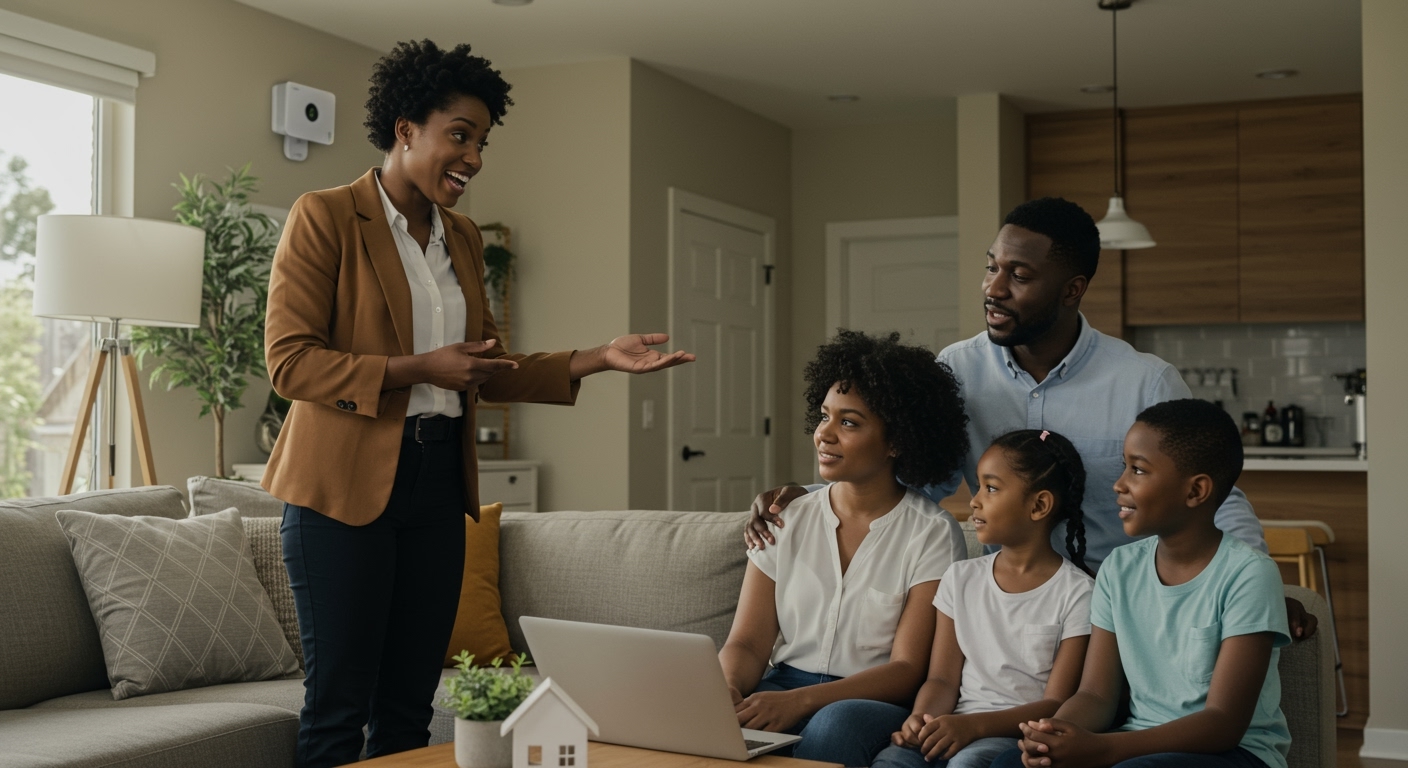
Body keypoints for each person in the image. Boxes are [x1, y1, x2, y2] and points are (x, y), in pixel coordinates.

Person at [263, 40, 693, 768]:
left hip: (436, 484)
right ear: (406, 129)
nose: (475, 158)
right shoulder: (326, 215)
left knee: (409, 703)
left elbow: (483, 370)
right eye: (459, 136)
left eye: (482, 142)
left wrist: (596, 357)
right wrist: (415, 368)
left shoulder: (460, 237)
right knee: (338, 705)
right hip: (339, 493)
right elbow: (290, 362)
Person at [745, 197, 1314, 634]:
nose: (994, 288)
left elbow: (1216, 495)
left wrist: (1257, 586)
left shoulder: (1144, 379)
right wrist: (815, 499)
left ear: (1072, 289)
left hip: (1121, 604)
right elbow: (919, 478)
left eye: (1019, 276)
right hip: (1010, 607)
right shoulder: (958, 369)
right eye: (992, 267)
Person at [994, 399, 1290, 768]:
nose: (1119, 484)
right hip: (1134, 744)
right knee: (1008, 763)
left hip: (1234, 754)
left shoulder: (1249, 574)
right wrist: (1055, 734)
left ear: (1196, 491)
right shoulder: (1120, 569)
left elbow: (1223, 723)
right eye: (1124, 466)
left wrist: (1103, 750)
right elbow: (1096, 694)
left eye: (1138, 470)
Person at [720, 330, 969, 768]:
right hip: (784, 683)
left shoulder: (931, 533)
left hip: (868, 698)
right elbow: (746, 643)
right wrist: (724, 688)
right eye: (823, 416)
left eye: (849, 422)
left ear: (897, 441)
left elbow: (907, 669)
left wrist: (800, 703)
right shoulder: (788, 516)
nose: (824, 435)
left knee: (835, 726)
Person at [871, 429, 1094, 768]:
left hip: (1011, 736)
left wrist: (973, 727)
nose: (974, 500)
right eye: (978, 485)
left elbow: (1057, 703)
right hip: (952, 725)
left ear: (1039, 505)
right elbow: (942, 679)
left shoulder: (1078, 592)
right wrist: (922, 719)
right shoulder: (960, 578)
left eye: (991, 488)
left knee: (968, 764)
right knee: (893, 761)